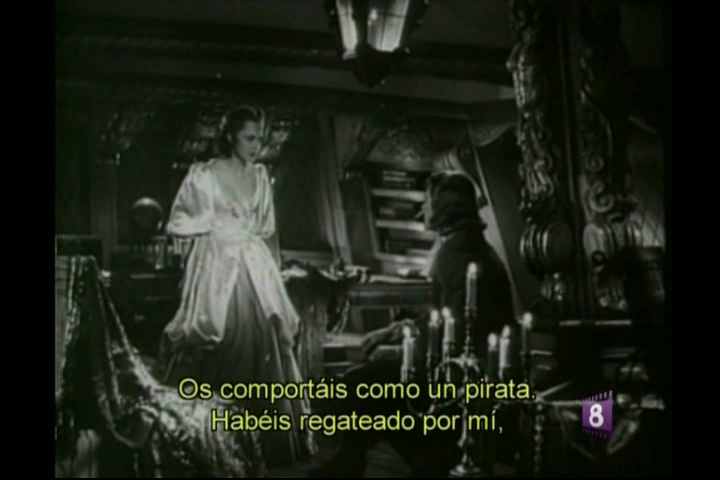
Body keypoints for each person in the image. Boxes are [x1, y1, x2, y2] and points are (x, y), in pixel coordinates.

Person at [307, 171, 516, 478]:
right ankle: (359, 459)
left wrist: (400, 353)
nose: (423, 209)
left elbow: (458, 332)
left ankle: (413, 463)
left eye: (428, 201)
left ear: (445, 206)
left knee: (361, 383)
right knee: (367, 380)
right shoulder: (463, 245)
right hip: (457, 366)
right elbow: (443, 317)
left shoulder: (458, 254)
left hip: (460, 380)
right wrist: (395, 330)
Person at [158, 106, 316, 467]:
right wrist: (210, 239)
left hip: (253, 262)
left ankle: (266, 442)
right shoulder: (205, 174)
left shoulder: (260, 175)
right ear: (231, 136)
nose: (256, 146)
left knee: (267, 337)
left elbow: (265, 227)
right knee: (223, 338)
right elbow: (181, 222)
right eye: (249, 138)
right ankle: (219, 445)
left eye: (260, 139)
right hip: (217, 264)